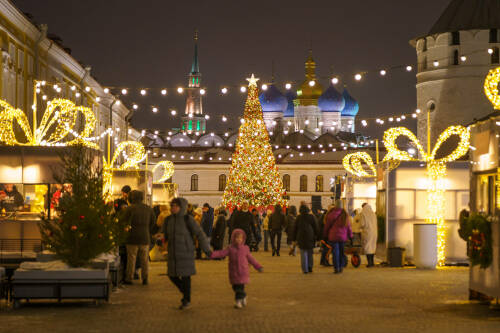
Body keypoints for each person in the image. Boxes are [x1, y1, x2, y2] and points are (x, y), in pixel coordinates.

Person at [162, 197, 211, 310]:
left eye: (176, 206)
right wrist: (160, 239)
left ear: (181, 207)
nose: (173, 208)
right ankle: (185, 293)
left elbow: (200, 234)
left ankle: (186, 299)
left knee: (185, 277)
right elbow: (164, 234)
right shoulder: (168, 220)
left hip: (186, 252)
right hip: (173, 253)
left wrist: (207, 250)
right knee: (171, 275)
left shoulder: (187, 219)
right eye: (172, 206)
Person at [210, 228, 263, 309]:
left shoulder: (245, 249)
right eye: (237, 238)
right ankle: (243, 296)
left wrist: (258, 266)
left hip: (243, 272)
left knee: (239, 288)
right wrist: (212, 254)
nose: (238, 239)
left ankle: (238, 302)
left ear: (243, 239)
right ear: (233, 238)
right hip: (234, 272)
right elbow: (221, 253)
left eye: (240, 238)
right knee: (235, 287)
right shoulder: (230, 248)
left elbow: (251, 259)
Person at [121, 190, 156, 285]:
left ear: (131, 198)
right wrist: (147, 228)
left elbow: (123, 221)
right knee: (144, 259)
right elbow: (153, 221)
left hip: (132, 237)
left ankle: (129, 278)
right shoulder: (148, 208)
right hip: (145, 237)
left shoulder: (130, 209)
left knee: (131, 259)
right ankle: (145, 278)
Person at [324, 208, 352, 274]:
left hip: (333, 237)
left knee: (335, 253)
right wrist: (350, 236)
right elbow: (348, 226)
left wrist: (325, 235)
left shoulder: (331, 214)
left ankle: (336, 268)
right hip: (342, 237)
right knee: (341, 252)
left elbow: (327, 226)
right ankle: (341, 267)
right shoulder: (345, 215)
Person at [291, 204, 318, 274]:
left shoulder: (298, 217)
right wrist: (317, 237)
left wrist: (293, 239)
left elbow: (295, 229)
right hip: (310, 237)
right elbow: (315, 227)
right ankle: (310, 267)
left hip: (301, 237)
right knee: (310, 252)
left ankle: (305, 269)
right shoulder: (311, 217)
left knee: (303, 253)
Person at [360, 203, 378, 268]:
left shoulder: (363, 213)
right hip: (374, 232)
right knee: (373, 246)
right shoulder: (373, 213)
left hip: (367, 232)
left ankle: (369, 263)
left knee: (367, 246)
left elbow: (362, 224)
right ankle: (372, 262)